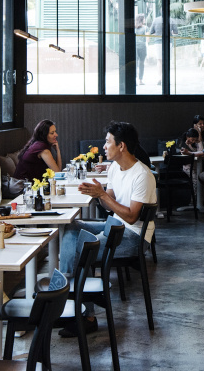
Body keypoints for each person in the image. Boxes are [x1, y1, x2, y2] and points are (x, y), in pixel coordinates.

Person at [60, 121, 157, 337]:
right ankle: (72, 295)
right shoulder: (114, 168)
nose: (104, 146)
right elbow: (109, 205)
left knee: (82, 249)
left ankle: (85, 315)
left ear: (121, 146)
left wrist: (102, 195)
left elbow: (131, 217)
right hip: (115, 227)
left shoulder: (142, 175)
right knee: (71, 227)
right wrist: (98, 194)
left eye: (107, 142)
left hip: (133, 237)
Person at [135, 13, 147, 85]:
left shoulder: (134, 28)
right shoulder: (145, 28)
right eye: (144, 19)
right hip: (142, 46)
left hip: (135, 46)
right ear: (141, 20)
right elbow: (148, 38)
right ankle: (140, 80)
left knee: (135, 64)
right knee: (141, 63)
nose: (145, 20)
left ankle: (134, 80)